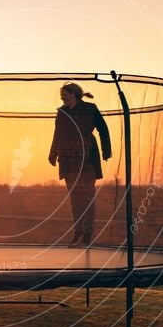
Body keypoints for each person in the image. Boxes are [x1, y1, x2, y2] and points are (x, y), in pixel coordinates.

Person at [48, 82, 111, 246]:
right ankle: (78, 232)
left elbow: (103, 128)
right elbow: (57, 134)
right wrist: (53, 153)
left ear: (74, 94)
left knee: (88, 197)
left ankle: (87, 234)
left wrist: (106, 150)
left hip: (87, 158)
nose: (62, 98)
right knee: (75, 198)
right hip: (68, 160)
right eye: (61, 96)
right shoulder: (62, 112)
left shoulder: (90, 109)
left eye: (65, 95)